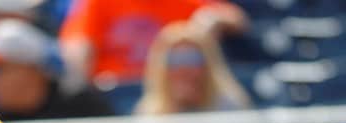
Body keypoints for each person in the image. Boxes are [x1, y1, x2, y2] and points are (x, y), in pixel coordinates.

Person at [59, 0, 248, 89]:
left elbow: (236, 18)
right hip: (113, 88)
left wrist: (211, 19)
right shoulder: (101, 3)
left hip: (165, 92)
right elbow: (76, 43)